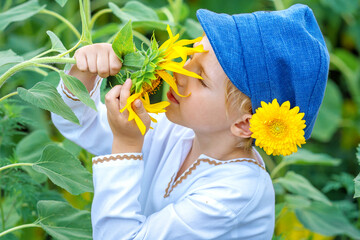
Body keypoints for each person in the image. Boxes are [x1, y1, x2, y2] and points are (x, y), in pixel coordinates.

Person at [51, 4, 329, 240]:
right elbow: (78, 125)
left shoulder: (237, 191)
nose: (179, 73)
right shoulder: (179, 131)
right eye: (190, 58)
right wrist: (84, 74)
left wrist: (127, 142)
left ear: (244, 124)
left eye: (201, 79)